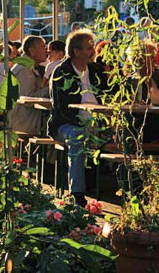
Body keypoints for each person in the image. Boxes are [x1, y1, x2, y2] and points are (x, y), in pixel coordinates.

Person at [48, 29, 108, 207]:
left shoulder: (97, 70)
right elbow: (61, 108)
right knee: (78, 137)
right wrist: (84, 125)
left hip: (98, 123)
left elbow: (108, 96)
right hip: (66, 124)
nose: (94, 51)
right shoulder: (61, 72)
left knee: (127, 137)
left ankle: (127, 193)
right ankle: (78, 194)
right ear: (76, 51)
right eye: (90, 48)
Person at [11, 36, 49, 134]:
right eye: (43, 47)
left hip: (23, 122)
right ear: (32, 51)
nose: (47, 50)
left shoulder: (27, 67)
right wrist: (50, 89)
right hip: (23, 124)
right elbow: (27, 100)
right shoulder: (24, 70)